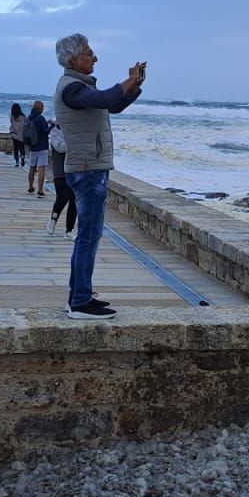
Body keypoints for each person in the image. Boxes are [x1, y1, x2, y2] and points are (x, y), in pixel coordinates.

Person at [53, 32, 145, 320]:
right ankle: (80, 301)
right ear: (73, 59)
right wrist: (127, 80)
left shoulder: (80, 87)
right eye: (89, 53)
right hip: (87, 170)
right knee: (88, 236)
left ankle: (80, 295)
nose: (95, 58)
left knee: (89, 235)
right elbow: (106, 97)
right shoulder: (72, 88)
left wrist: (134, 85)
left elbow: (113, 104)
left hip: (92, 168)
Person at [45, 122, 76, 238]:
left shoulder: (72, 131)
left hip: (72, 171)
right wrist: (74, 143)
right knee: (62, 198)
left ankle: (69, 230)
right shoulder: (54, 133)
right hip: (60, 173)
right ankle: (53, 219)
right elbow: (60, 147)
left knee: (73, 200)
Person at [23, 100, 50, 197]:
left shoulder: (29, 118)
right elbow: (46, 131)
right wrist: (52, 126)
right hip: (42, 146)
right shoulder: (40, 118)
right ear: (41, 109)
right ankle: (40, 189)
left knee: (32, 167)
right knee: (41, 168)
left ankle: (30, 186)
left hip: (32, 146)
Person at [9, 103, 27, 167]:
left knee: (16, 148)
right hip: (21, 134)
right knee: (22, 147)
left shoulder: (12, 116)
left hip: (14, 134)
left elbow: (11, 124)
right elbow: (25, 125)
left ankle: (17, 162)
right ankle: (22, 157)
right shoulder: (23, 116)